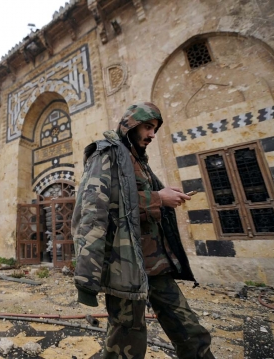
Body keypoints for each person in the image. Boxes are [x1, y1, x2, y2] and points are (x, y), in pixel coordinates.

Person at [72, 102, 214, 358]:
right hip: (125, 266)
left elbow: (134, 199)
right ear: (131, 124)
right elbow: (95, 208)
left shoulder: (138, 161)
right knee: (126, 339)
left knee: (191, 331)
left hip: (155, 265)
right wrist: (158, 198)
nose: (152, 134)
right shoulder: (107, 154)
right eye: (148, 127)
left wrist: (162, 195)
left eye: (155, 128)